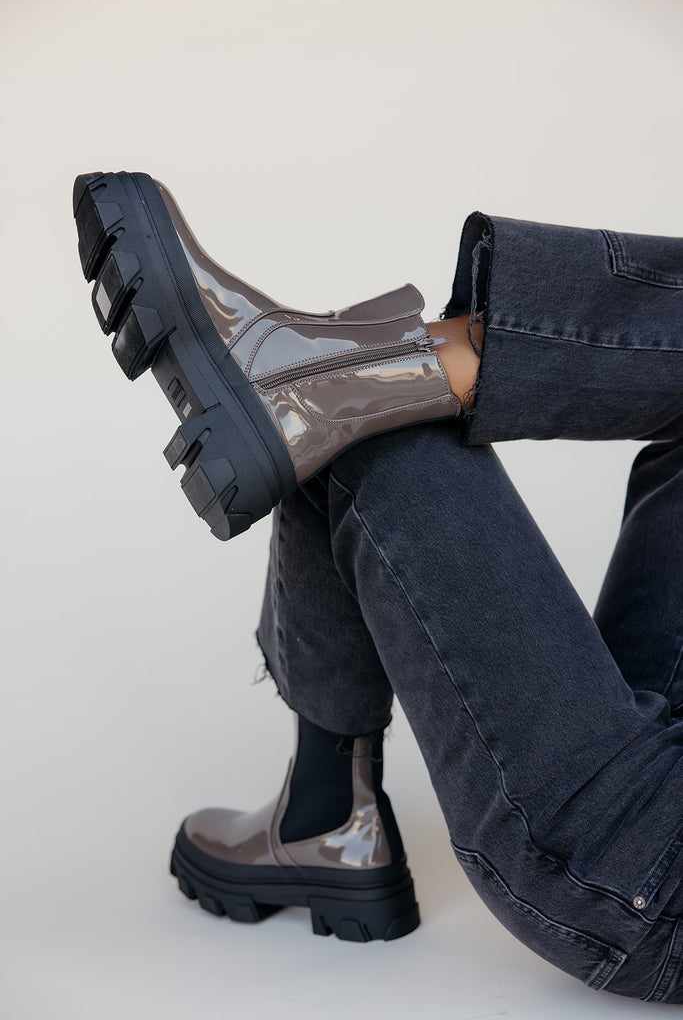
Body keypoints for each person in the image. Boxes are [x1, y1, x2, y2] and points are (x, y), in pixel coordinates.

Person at [73, 172, 683, 1002]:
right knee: (355, 407)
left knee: (365, 426)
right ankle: (348, 375)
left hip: (646, 865)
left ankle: (346, 379)